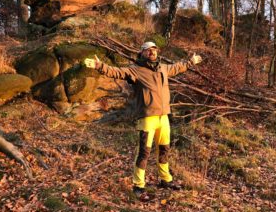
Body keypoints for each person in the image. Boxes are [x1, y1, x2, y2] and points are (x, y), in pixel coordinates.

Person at [84, 41, 202, 197]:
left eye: (154, 49)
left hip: (164, 117)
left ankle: (165, 179)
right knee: (144, 152)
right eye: (148, 50)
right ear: (142, 53)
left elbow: (178, 67)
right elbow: (117, 72)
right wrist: (100, 66)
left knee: (164, 149)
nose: (152, 52)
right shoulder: (136, 70)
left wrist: (190, 62)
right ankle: (138, 185)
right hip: (147, 118)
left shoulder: (163, 68)